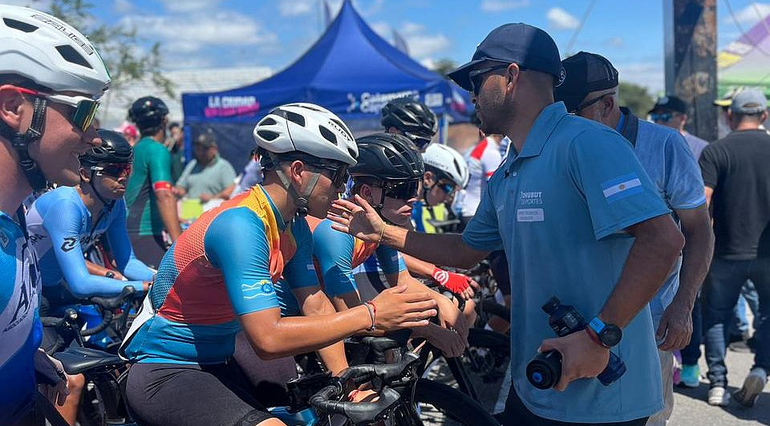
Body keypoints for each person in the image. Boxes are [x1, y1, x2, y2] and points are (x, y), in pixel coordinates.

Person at [329, 23, 685, 425]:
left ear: (511, 77)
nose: (472, 96)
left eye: (477, 81)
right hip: (535, 385)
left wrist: (599, 334)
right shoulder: (509, 169)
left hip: (599, 399)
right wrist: (382, 232)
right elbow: (466, 250)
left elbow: (663, 240)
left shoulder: (587, 144)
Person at [120, 103, 438, 426]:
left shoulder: (294, 225)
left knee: (307, 415)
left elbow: (315, 305)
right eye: (338, 174)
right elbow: (268, 339)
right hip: (165, 368)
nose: (344, 187)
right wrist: (369, 314)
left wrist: (347, 383)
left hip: (218, 360)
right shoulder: (241, 226)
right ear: (298, 172)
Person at [554, 51, 714, 426]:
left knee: (647, 418)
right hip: (575, 320)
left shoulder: (664, 146)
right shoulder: (562, 146)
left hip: (648, 324)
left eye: (572, 112)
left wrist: (682, 305)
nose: (563, 122)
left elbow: (699, 230)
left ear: (607, 104)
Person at [0, 5, 111, 425]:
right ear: (13, 107)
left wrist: (27, 356)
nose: (94, 136)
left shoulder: (15, 215)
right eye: (83, 113)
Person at [26, 130, 153, 425]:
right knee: (69, 380)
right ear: (85, 173)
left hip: (54, 290)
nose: (123, 178)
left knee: (110, 361)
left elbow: (129, 263)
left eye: (127, 169)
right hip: (29, 298)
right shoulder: (66, 206)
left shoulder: (113, 204)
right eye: (114, 170)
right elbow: (81, 282)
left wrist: (164, 278)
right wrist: (139, 286)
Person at [699, 88, 770, 408]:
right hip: (767, 252)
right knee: (768, 314)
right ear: (764, 115)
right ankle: (761, 368)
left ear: (730, 115)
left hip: (725, 251)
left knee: (717, 316)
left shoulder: (715, 151)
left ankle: (717, 383)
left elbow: (703, 201)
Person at [125, 96, 182, 268]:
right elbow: (164, 195)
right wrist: (181, 245)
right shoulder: (157, 150)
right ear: (164, 120)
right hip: (145, 235)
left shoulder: (135, 149)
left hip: (128, 233)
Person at [174, 132, 237, 203]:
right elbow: (180, 186)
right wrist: (179, 191)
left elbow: (231, 190)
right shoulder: (192, 165)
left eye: (205, 149)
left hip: (214, 208)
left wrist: (213, 198)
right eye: (198, 149)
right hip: (192, 208)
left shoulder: (224, 167)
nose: (201, 152)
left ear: (214, 149)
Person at [648, 95, 709, 160]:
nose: (659, 121)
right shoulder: (647, 145)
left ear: (682, 119)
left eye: (665, 116)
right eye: (655, 116)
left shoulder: (701, 147)